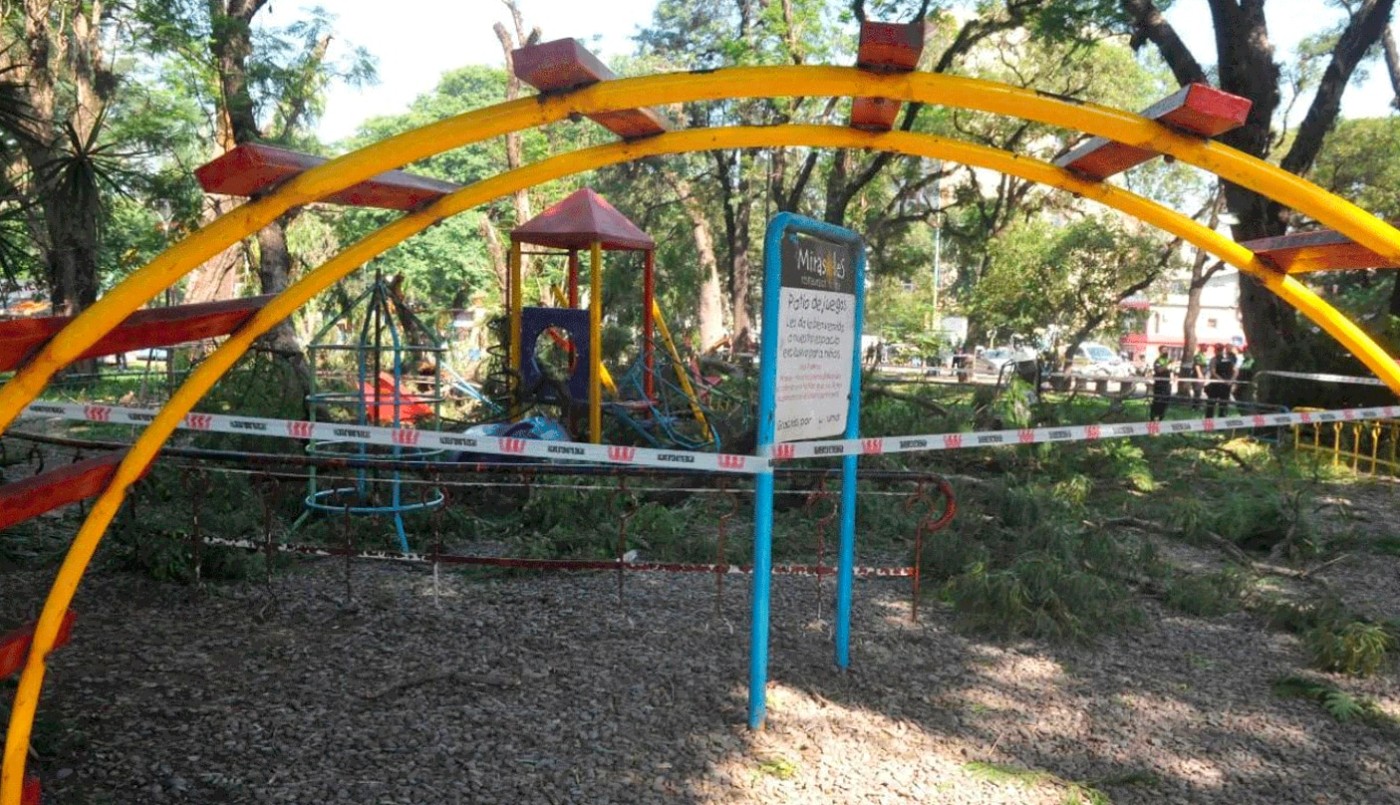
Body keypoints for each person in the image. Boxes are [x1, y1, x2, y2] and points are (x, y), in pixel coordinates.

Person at [1204, 343, 1237, 418]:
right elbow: (1236, 371)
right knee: (1223, 406)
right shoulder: (1229, 359)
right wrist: (1230, 381)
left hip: (1215, 385)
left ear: (1215, 350)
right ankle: (1221, 425)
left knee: (1211, 406)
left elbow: (1213, 372)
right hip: (1226, 385)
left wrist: (1223, 381)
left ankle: (1208, 424)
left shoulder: (1214, 359)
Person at [1150, 346, 1175, 421]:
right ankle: (1153, 418)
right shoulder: (1158, 361)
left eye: (1167, 350)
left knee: (1165, 403)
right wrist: (1168, 364)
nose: (1166, 352)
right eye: (1164, 350)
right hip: (1159, 385)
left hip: (1167, 385)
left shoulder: (1169, 360)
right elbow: (1159, 370)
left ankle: (1160, 419)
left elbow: (1172, 371)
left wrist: (1174, 375)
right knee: (1158, 402)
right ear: (1160, 351)